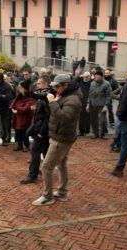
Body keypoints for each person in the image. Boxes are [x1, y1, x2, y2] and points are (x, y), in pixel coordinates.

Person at [32, 74, 82, 206]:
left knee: (46, 167)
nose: (55, 89)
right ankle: (62, 192)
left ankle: (48, 196)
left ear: (66, 85)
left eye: (58, 86)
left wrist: (52, 102)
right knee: (61, 164)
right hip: (62, 136)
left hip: (62, 138)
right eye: (54, 86)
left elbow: (64, 118)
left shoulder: (73, 100)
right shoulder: (66, 95)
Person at [20, 75, 53, 184]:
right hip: (39, 128)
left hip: (42, 130)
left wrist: (41, 132)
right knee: (45, 151)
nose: (37, 85)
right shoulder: (43, 96)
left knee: (35, 151)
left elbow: (48, 117)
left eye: (39, 84)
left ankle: (32, 175)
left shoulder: (48, 96)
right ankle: (45, 170)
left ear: (45, 84)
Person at [87, 69, 111, 139]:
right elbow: (90, 94)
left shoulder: (106, 84)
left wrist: (106, 105)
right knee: (94, 120)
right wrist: (88, 104)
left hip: (102, 105)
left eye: (98, 75)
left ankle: (104, 133)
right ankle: (95, 133)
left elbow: (108, 96)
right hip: (93, 104)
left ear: (101, 76)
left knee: (103, 121)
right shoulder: (92, 83)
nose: (96, 76)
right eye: (95, 75)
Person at [10, 83, 34, 152]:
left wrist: (16, 109)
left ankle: (26, 146)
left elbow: (26, 108)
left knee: (24, 133)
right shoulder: (19, 96)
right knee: (18, 133)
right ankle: (20, 145)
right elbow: (12, 103)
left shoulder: (29, 97)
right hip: (17, 118)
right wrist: (12, 108)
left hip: (24, 118)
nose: (18, 88)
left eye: (20, 87)